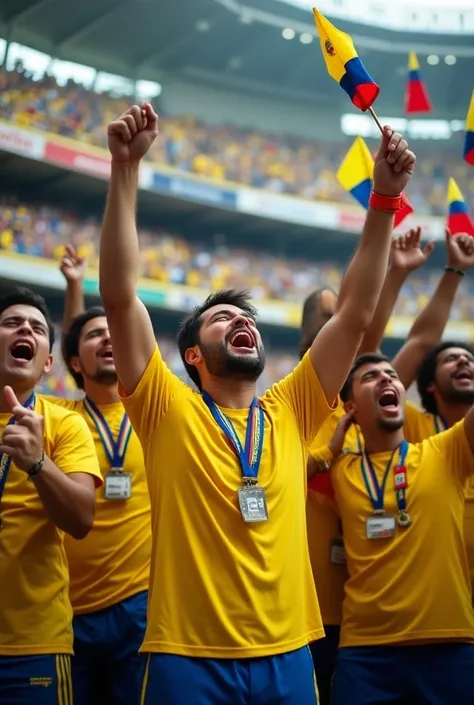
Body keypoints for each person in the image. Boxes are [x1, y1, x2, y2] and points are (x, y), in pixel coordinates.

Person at [98, 103, 416, 704]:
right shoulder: (165, 406)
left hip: (290, 657)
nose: (241, 320)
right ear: (192, 355)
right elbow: (118, 296)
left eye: (246, 316)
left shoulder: (292, 408)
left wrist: (382, 201)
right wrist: (124, 169)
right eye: (222, 318)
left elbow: (355, 314)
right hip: (186, 659)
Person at [330, 352, 474, 705]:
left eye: (391, 375)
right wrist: (327, 451)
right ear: (351, 408)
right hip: (365, 655)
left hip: (449, 647)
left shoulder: (447, 450)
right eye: (370, 377)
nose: (386, 379)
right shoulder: (338, 468)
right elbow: (275, 479)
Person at [41, 249, 151, 705]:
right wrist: (75, 288)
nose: (108, 339)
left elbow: (95, 336)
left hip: (141, 605)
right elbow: (78, 339)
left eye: (113, 333)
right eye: (94, 337)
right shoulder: (59, 418)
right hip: (68, 609)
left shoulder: (155, 413)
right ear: (75, 364)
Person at [0, 286, 102, 705]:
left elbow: (81, 519)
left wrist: (38, 463)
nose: (25, 327)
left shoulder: (64, 425)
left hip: (35, 644)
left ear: (46, 363)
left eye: (38, 328)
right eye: (11, 323)